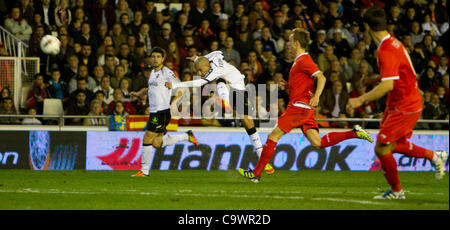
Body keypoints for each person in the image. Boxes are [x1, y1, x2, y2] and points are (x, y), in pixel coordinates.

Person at [238, 28, 373, 183]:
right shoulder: (298, 61)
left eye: (290, 40)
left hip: (299, 107)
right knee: (318, 143)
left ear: (296, 43)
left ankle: (256, 174)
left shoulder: (304, 60)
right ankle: (354, 133)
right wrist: (289, 86)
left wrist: (316, 96)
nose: (288, 43)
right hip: (303, 108)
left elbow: (321, 78)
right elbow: (304, 83)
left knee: (272, 136)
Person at [347, 8, 448, 200]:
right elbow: (395, 74)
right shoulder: (392, 42)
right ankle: (435, 156)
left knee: (381, 148)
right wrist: (373, 79)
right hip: (402, 102)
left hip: (405, 105)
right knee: (394, 144)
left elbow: (388, 85)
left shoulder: (385, 50)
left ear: (367, 27)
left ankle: (397, 191)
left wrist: (359, 99)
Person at [166, 50, 275, 175]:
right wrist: (197, 59)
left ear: (207, 67)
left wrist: (176, 85)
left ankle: (226, 103)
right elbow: (216, 54)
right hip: (233, 86)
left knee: (248, 122)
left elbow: (199, 82)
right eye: (198, 71)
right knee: (221, 82)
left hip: (239, 89)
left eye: (200, 71)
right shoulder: (213, 57)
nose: (200, 73)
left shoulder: (214, 71)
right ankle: (226, 102)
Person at [129, 47, 199, 177]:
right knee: (156, 143)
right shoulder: (153, 73)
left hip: (161, 112)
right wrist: (138, 93)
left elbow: (181, 88)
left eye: (158, 57)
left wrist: (173, 102)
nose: (155, 59)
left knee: (147, 136)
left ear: (163, 58)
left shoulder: (167, 73)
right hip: (155, 112)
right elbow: (151, 88)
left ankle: (144, 170)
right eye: (153, 56)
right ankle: (187, 136)